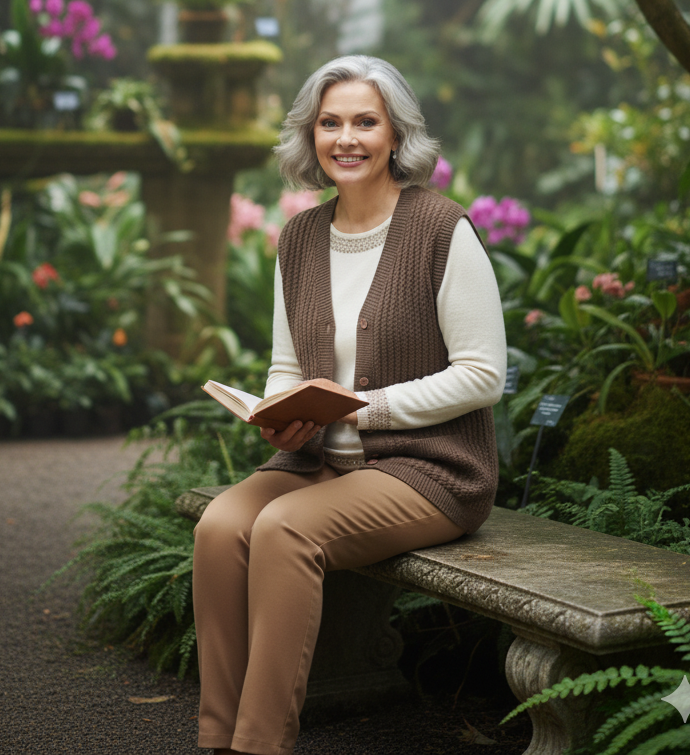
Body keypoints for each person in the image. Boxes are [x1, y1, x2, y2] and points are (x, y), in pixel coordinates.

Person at [193, 55, 507, 755]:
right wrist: (281, 410)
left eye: (366, 122)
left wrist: (362, 410)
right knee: (219, 526)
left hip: (427, 471)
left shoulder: (441, 229)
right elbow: (285, 364)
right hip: (314, 460)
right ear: (310, 138)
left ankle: (259, 743)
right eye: (329, 123)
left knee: (282, 531)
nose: (347, 138)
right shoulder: (299, 238)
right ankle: (217, 736)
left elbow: (483, 375)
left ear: (397, 134)